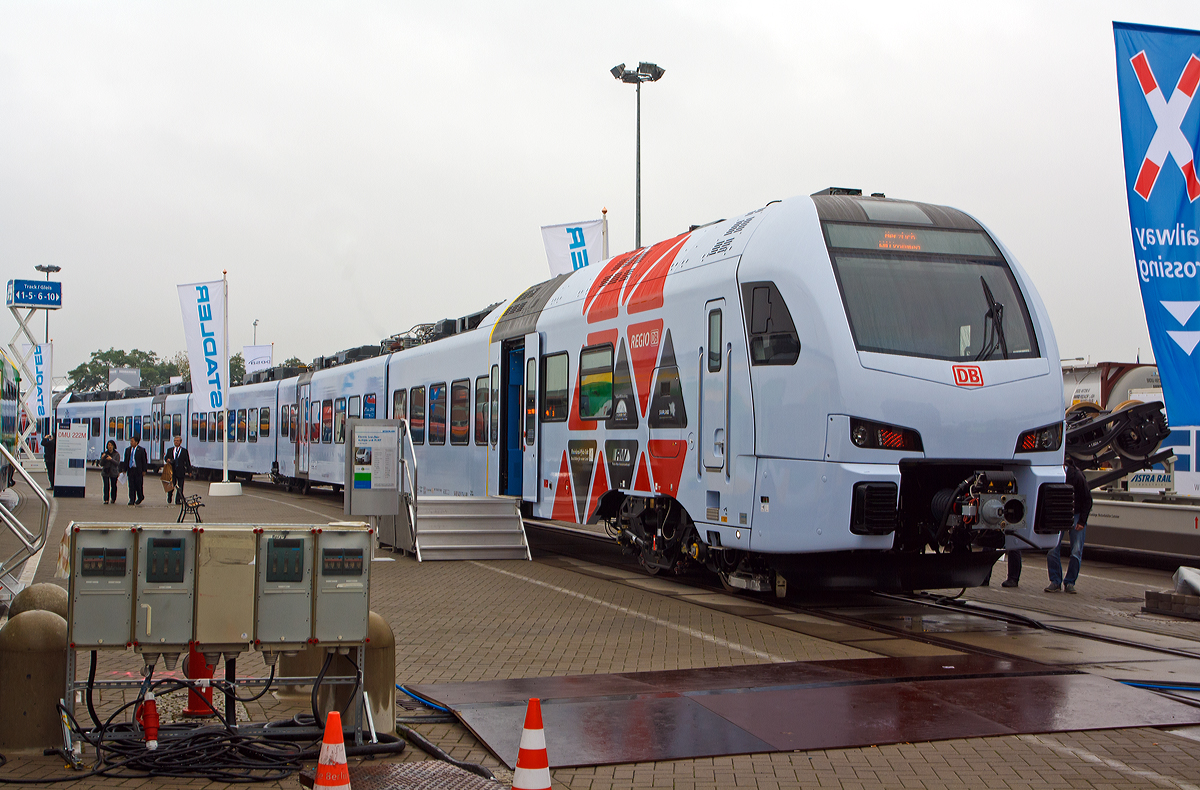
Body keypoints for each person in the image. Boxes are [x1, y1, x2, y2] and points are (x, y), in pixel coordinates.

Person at [1046, 457, 1092, 594]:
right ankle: (1056, 581)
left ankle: (1068, 581)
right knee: (1053, 549)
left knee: (1075, 551)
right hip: (1061, 514)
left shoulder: (1076, 476)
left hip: (1075, 514)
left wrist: (1082, 521)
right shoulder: (1058, 475)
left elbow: (1087, 499)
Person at [122, 435, 147, 506]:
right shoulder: (127, 450)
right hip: (131, 470)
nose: (131, 443)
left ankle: (140, 497)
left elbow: (144, 461)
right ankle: (131, 500)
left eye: (132, 441)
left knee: (138, 485)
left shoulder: (141, 450)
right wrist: (124, 469)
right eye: (130, 441)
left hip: (138, 470)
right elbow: (126, 460)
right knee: (131, 485)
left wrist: (144, 470)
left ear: (136, 442)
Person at [166, 435, 191, 505]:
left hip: (180, 471)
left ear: (180, 442)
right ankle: (169, 495)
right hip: (172, 471)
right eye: (175, 441)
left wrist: (189, 471)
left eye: (177, 441)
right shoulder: (170, 450)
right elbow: (166, 457)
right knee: (172, 485)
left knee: (180, 486)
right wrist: (167, 460)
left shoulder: (184, 451)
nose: (176, 442)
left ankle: (178, 499)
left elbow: (187, 461)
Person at [100, 440, 121, 504]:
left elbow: (117, 463)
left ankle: (113, 498)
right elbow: (101, 464)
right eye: (109, 445)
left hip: (113, 472)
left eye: (111, 445)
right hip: (106, 472)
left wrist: (111, 459)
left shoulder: (116, 454)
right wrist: (103, 458)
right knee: (106, 486)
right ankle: (106, 499)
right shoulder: (104, 453)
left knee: (113, 485)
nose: (110, 446)